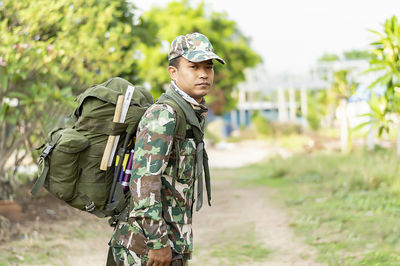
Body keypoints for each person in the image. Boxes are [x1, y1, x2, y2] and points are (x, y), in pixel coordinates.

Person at [108, 32, 225, 266]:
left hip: (170, 246)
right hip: (143, 250)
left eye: (208, 67)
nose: (203, 74)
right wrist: (158, 243)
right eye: (193, 66)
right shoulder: (164, 115)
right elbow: (144, 182)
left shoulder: (190, 113)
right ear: (173, 72)